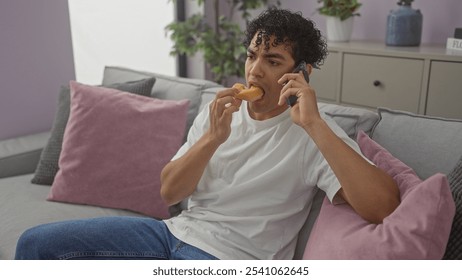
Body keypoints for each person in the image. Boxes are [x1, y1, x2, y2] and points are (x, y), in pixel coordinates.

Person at [15, 8, 399, 260]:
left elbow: (382, 206)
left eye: (272, 61)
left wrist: (314, 124)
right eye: (252, 56)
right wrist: (212, 137)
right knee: (34, 245)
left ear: (302, 72)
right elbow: (170, 193)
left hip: (227, 259)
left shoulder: (314, 129)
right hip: (168, 236)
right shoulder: (219, 110)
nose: (254, 71)